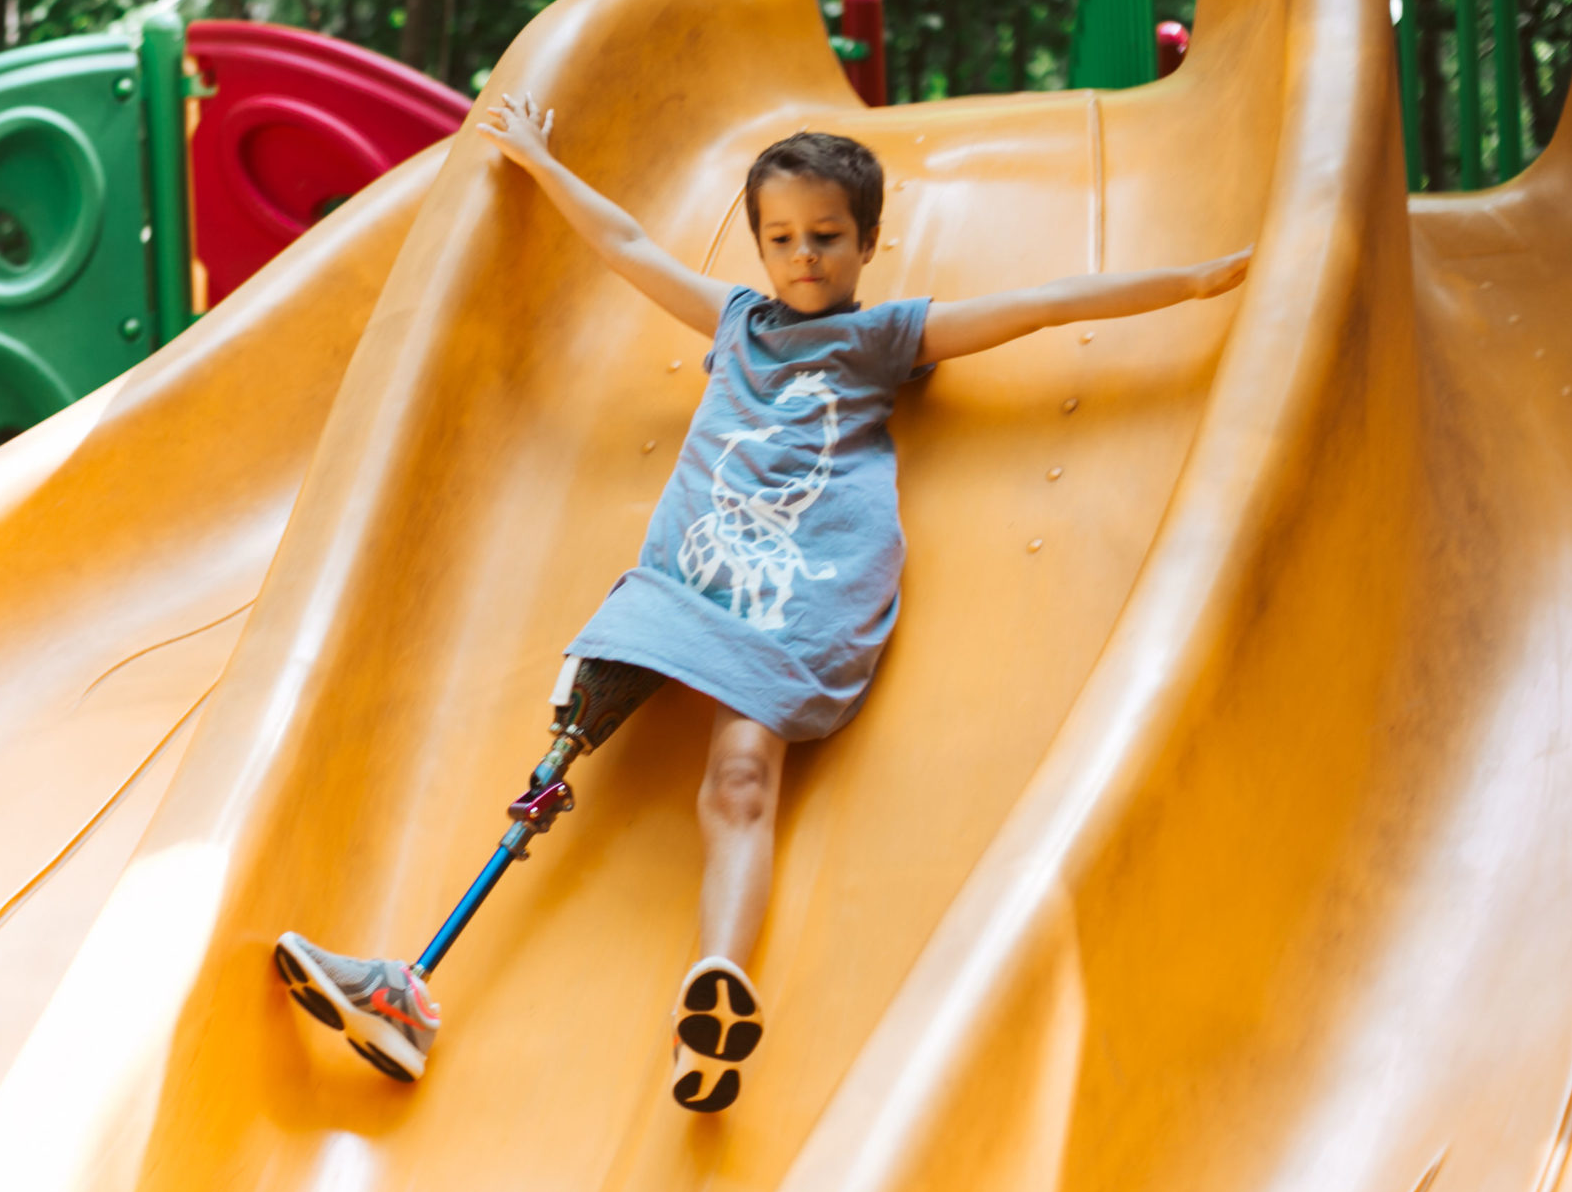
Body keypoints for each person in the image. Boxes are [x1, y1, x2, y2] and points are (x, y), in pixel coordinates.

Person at [275, 97, 1252, 1112]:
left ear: (869, 242)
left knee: (742, 776)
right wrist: (533, 158)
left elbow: (1046, 303)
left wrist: (1188, 283)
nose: (805, 259)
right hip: (689, 572)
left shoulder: (883, 337)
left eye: (827, 238)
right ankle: (409, 990)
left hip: (805, 576)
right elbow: (622, 244)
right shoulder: (738, 320)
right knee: (566, 742)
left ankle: (713, 999)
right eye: (782, 239)